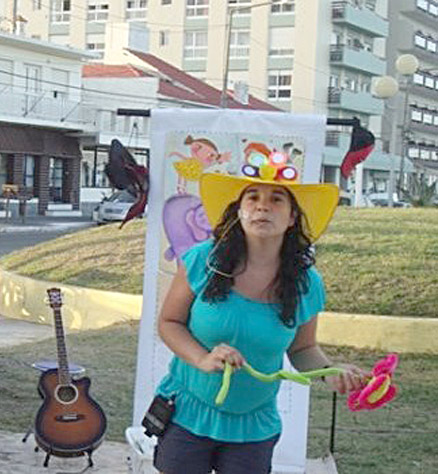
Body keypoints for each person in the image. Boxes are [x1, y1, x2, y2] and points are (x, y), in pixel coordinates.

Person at [153, 156, 368, 474]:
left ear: (292, 217)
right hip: (186, 414)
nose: (262, 206)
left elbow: (303, 349)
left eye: (276, 199)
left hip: (253, 427)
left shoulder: (307, 283)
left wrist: (329, 371)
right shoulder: (203, 260)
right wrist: (202, 358)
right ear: (239, 211)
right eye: (252, 197)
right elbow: (169, 323)